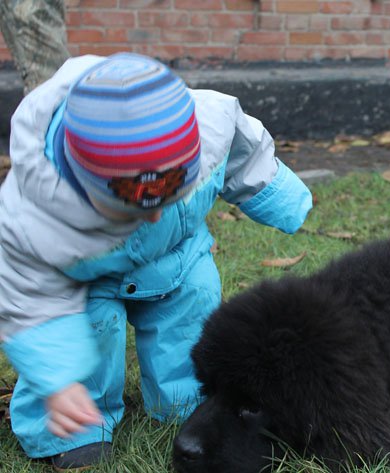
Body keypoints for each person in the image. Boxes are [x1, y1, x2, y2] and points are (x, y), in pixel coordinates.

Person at [0, 52, 313, 470]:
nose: (152, 215)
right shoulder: (36, 216)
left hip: (176, 255)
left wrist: (278, 195)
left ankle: (185, 404)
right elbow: (27, 298)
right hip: (88, 279)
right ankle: (75, 428)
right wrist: (56, 378)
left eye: (171, 198)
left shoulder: (210, 123)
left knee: (192, 313)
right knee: (91, 334)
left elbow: (245, 152)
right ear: (82, 182)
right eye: (128, 209)